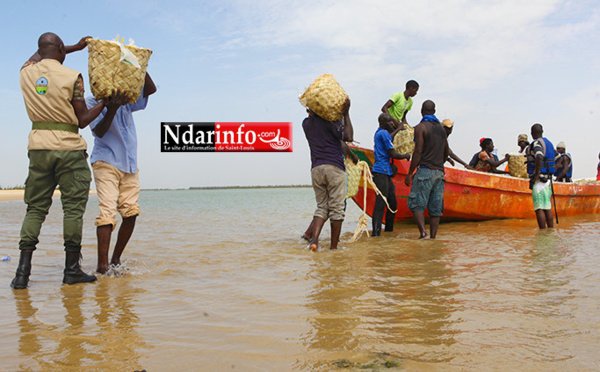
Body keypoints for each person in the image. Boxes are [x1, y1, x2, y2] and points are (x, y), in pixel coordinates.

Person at [11, 33, 109, 289]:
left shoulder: (26, 73)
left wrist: (72, 47)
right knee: (73, 209)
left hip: (39, 147)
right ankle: (71, 270)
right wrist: (106, 104)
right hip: (68, 148)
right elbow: (83, 120)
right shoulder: (72, 77)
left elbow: (37, 55)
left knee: (35, 209)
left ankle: (22, 274)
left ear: (41, 49)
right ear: (60, 51)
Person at [85, 74, 157, 274]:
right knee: (107, 214)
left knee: (131, 212)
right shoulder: (92, 100)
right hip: (106, 161)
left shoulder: (126, 100)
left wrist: (140, 68)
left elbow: (151, 90)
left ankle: (115, 259)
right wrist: (112, 107)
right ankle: (102, 266)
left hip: (130, 164)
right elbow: (99, 131)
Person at [303, 99, 354, 251]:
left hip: (316, 169)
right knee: (337, 209)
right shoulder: (331, 122)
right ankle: (333, 248)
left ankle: (314, 241)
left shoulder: (306, 124)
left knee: (321, 207)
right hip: (334, 168)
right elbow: (348, 137)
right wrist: (346, 113)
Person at [404, 100, 449, 239]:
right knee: (436, 208)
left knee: (417, 204)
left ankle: (423, 233)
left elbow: (417, 151)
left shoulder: (421, 127)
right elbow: (446, 152)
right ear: (434, 111)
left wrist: (410, 173)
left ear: (422, 111)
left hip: (425, 170)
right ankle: (433, 237)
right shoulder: (442, 129)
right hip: (439, 173)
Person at [371, 113, 411, 236]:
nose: (391, 123)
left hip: (385, 171)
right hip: (381, 171)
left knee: (392, 203)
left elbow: (390, 138)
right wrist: (405, 155)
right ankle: (376, 234)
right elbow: (393, 153)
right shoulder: (383, 133)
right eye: (389, 122)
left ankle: (388, 232)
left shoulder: (381, 133)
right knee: (381, 203)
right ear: (383, 123)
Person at [527, 123, 556, 229]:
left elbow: (539, 156)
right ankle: (550, 232)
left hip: (539, 181)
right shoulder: (549, 143)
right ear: (542, 131)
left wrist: (536, 175)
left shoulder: (536, 143)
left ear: (532, 133)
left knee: (539, 208)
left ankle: (542, 234)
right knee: (547, 207)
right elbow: (557, 157)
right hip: (548, 180)